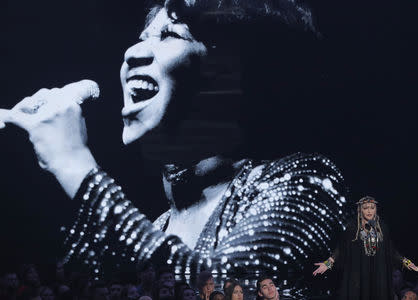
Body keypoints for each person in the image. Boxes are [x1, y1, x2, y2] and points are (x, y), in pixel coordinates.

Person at [0, 0, 347, 295]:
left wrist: (72, 162)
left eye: (169, 35)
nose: (133, 52)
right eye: (142, 37)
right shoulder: (159, 226)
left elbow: (222, 286)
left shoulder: (309, 182)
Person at [313, 196, 418, 300]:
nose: (369, 211)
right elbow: (341, 249)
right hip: (358, 277)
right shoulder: (352, 228)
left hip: (377, 276)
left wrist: (407, 262)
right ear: (360, 210)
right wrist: (327, 264)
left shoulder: (382, 228)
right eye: (365, 208)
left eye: (372, 208)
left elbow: (391, 251)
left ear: (376, 210)